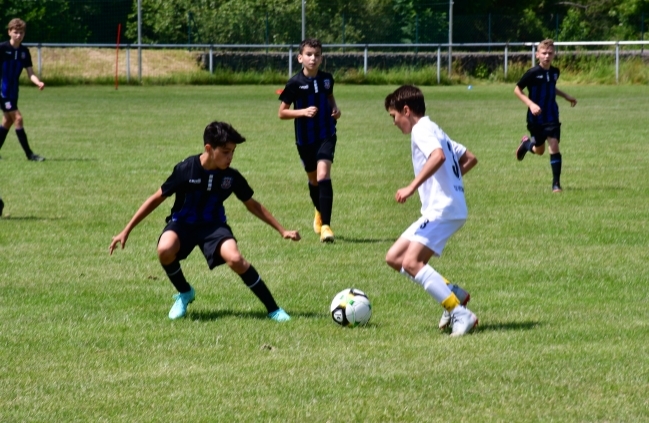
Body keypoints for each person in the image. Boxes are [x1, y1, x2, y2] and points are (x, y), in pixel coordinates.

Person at [109, 121, 301, 321]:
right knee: (164, 250)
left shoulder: (231, 176)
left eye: (233, 152)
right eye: (226, 152)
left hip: (213, 225)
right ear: (209, 148)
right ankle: (185, 293)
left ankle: (273, 309)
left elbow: (252, 204)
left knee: (235, 259)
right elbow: (156, 198)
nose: (230, 157)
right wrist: (126, 230)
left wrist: (282, 230)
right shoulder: (185, 169)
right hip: (183, 223)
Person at [384, 85, 478, 337]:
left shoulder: (421, 130)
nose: (394, 123)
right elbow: (469, 158)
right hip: (444, 208)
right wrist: (450, 182)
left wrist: (412, 186)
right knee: (394, 258)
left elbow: (437, 156)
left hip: (442, 210)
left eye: (394, 116)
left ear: (406, 110)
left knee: (412, 262)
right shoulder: (435, 128)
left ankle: (459, 313)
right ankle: (454, 293)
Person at [278, 38, 341, 243]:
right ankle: (319, 211)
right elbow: (282, 113)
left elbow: (330, 97)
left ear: (322, 58)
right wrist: (303, 112)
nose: (313, 58)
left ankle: (326, 227)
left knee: (324, 176)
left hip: (326, 134)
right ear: (300, 58)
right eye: (308, 54)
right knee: (314, 181)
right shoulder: (294, 83)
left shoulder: (327, 79)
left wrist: (335, 108)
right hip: (304, 139)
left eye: (317, 55)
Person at [514, 38, 577, 192]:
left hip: (552, 115)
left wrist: (566, 96)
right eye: (544, 53)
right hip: (536, 118)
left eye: (550, 53)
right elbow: (517, 89)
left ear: (554, 54)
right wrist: (531, 104)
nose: (547, 56)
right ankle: (526, 144)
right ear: (537, 55)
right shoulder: (532, 73)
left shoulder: (555, 72)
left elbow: (551, 87)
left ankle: (556, 184)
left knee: (554, 145)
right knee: (539, 151)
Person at [0, 19, 45, 161]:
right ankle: (29, 154)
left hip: (14, 91)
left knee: (8, 121)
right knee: (18, 118)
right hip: (2, 91)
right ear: (9, 32)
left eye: (21, 33)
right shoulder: (1, 48)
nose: (18, 35)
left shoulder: (24, 52)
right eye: (15, 32)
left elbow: (30, 73)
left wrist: (38, 82)